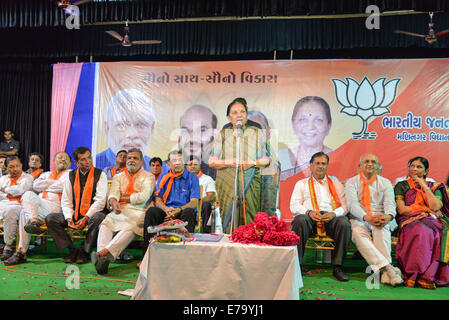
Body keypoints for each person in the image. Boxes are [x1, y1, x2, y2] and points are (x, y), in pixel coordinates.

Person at [209, 97, 270, 233]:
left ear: (247, 114)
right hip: (227, 182)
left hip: (251, 180)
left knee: (250, 217)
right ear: (228, 117)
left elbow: (266, 159)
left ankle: (250, 244)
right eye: (235, 112)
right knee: (229, 218)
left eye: (242, 111)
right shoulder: (223, 133)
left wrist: (252, 163)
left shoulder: (256, 131)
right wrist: (229, 162)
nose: (239, 115)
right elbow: (212, 161)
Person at [92, 148, 155, 274]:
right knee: (105, 223)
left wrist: (121, 197)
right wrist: (114, 202)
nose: (131, 160)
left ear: (141, 162)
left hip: (140, 210)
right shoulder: (118, 176)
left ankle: (103, 253)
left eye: (135, 158)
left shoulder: (149, 176)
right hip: (121, 208)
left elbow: (143, 197)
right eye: (129, 158)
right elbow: (113, 193)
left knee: (131, 226)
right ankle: (102, 260)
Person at [290, 152, 351, 281]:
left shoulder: (336, 184)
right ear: (311, 166)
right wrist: (308, 212)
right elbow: (294, 205)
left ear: (327, 166)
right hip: (309, 218)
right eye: (317, 163)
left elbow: (345, 207)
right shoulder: (301, 184)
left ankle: (337, 267)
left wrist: (334, 213)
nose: (320, 166)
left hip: (330, 218)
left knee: (344, 222)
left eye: (323, 163)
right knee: (299, 220)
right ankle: (297, 266)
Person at [345, 153, 403, 286]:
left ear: (377, 166)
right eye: (366, 161)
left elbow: (390, 204)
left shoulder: (385, 182)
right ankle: (388, 268)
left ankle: (384, 272)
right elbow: (352, 205)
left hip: (381, 217)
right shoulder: (351, 182)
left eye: (373, 162)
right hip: (360, 218)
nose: (370, 164)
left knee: (381, 231)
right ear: (360, 166)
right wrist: (366, 217)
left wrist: (388, 216)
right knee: (358, 235)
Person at [3, 152, 72, 265]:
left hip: (55, 207)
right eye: (60, 158)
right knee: (28, 197)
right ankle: (23, 247)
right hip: (40, 206)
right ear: (54, 161)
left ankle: (21, 252)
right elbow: (36, 185)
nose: (63, 160)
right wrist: (54, 183)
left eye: (66, 159)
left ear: (69, 163)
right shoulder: (47, 173)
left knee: (24, 211)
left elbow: (64, 185)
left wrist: (47, 183)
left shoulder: (70, 173)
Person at [394, 156, 449, 289]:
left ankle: (429, 275)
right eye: (412, 166)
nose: (414, 169)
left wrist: (424, 185)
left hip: (432, 220)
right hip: (409, 220)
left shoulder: (433, 186)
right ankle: (413, 274)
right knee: (421, 231)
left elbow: (436, 206)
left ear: (426, 171)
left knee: (438, 233)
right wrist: (425, 209)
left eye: (419, 167)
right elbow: (402, 209)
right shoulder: (402, 185)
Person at [45, 147, 107, 264]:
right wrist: (69, 218)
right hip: (75, 214)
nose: (88, 161)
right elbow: (66, 200)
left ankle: (85, 251)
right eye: (83, 160)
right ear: (76, 163)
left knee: (99, 217)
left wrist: (86, 218)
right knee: (51, 218)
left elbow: (100, 201)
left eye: (89, 158)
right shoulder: (70, 175)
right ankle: (72, 250)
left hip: (92, 215)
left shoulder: (100, 174)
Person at [95, 88, 168, 173]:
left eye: (140, 125)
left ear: (152, 128)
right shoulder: (93, 167)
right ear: (107, 128)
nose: (132, 134)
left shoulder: (163, 170)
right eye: (122, 125)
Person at [142, 150, 200, 254]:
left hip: (182, 211)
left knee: (189, 212)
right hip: (167, 211)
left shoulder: (192, 178)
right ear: (169, 164)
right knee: (152, 211)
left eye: (180, 160)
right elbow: (158, 199)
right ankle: (147, 254)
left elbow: (194, 202)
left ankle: (185, 254)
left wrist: (178, 210)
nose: (177, 163)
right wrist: (166, 209)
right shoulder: (163, 177)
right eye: (174, 160)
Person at [278, 96, 333, 181]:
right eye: (303, 119)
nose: (310, 127)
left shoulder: (336, 158)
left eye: (318, 120)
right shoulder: (282, 158)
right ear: (293, 125)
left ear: (329, 126)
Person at [247, 110, 281, 217]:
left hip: (265, 219)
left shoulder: (273, 162)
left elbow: (270, 204)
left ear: (268, 131)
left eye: (259, 127)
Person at [0, 156, 33, 261]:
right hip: (3, 203)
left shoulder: (28, 178)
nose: (15, 169)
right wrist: (8, 194)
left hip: (19, 205)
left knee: (9, 212)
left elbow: (21, 190)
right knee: (6, 210)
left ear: (21, 166)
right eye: (11, 167)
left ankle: (8, 246)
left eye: (17, 166)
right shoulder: (3, 179)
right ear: (6, 168)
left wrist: (5, 190)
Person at [178, 105, 218, 180]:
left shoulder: (224, 174)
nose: (192, 138)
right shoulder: (163, 170)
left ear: (214, 135)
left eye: (202, 130)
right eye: (185, 130)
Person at [186, 155, 216, 233]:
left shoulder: (207, 179)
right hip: (185, 205)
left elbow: (210, 196)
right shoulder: (182, 180)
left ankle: (206, 233)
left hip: (201, 205)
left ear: (200, 165)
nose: (193, 166)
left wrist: (196, 202)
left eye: (195, 164)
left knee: (206, 205)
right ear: (186, 167)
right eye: (190, 164)